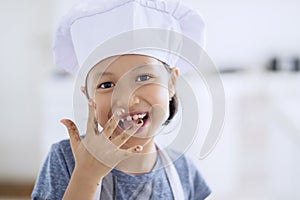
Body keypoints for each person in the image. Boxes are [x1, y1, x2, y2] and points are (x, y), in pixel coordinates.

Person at [32, 0, 211, 199]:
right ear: (88, 96)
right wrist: (87, 175)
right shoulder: (65, 159)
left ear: (171, 84)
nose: (127, 99)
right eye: (107, 85)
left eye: (144, 78)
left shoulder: (183, 169)